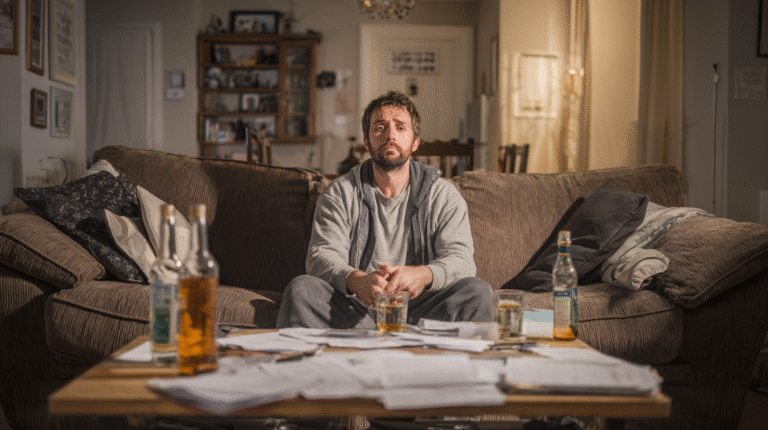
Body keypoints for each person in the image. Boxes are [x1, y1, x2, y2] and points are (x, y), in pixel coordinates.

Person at [276, 90, 493, 329]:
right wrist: (355, 280)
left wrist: (424, 275)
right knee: (301, 289)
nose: (390, 135)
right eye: (380, 127)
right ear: (366, 141)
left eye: (400, 127)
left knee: (477, 292)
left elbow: (463, 261)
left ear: (415, 142)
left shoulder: (444, 195)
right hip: (357, 309)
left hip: (423, 310)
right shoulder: (339, 193)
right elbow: (320, 257)